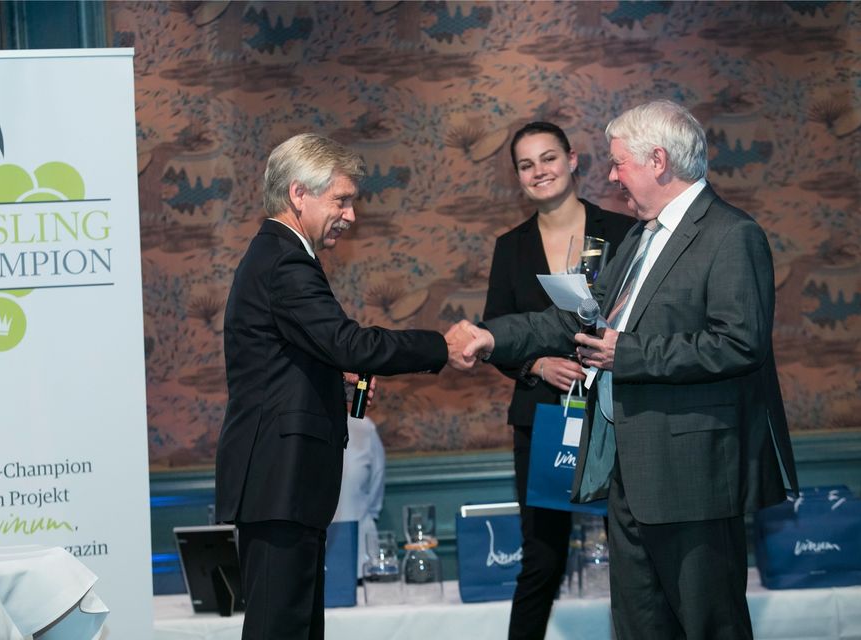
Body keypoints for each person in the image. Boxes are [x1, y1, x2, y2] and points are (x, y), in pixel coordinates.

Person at [447, 100, 799, 640]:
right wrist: (492, 337)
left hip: (693, 475)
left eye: (619, 163)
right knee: (638, 626)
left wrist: (625, 354)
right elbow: (574, 319)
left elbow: (738, 344)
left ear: (658, 161)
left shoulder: (731, 234)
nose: (611, 177)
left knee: (709, 624)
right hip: (628, 471)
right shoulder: (640, 236)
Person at [215, 133, 448, 640]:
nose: (350, 215)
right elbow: (350, 344)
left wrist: (329, 374)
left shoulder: (276, 254)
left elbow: (286, 354)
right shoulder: (286, 260)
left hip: (283, 485)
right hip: (280, 483)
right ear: (299, 193)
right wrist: (442, 345)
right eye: (341, 200)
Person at [483, 121, 633, 640]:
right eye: (526, 165)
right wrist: (537, 366)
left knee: (632, 555)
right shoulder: (511, 247)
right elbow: (497, 334)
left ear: (572, 160)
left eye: (548, 158)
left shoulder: (623, 232)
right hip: (544, 417)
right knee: (542, 559)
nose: (539, 171)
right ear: (518, 177)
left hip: (617, 414)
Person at [332, 412, 385, 580]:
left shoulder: (363, 427)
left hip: (362, 558)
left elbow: (376, 485)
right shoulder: (294, 427)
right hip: (310, 560)